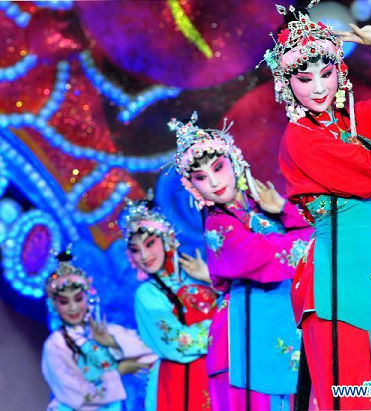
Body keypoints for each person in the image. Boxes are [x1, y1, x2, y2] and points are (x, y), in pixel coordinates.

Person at [263, 2, 371, 409]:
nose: (319, 87)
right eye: (304, 79)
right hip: (335, 288)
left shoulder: (356, 124)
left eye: (326, 73)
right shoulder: (300, 138)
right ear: (287, 85)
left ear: (340, 71)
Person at [170, 112, 312, 410]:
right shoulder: (218, 227)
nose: (214, 181)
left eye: (218, 168)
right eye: (201, 177)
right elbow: (271, 255)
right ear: (193, 186)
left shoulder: (262, 205)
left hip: (282, 329)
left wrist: (283, 209)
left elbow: (317, 230)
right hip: (243, 341)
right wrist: (302, 235)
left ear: (233, 161)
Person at [119, 196, 217, 411]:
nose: (144, 256)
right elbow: (177, 342)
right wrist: (223, 329)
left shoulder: (198, 275)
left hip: (220, 375)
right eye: (135, 250)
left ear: (167, 239)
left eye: (149, 244)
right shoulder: (147, 295)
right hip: (178, 384)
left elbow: (235, 306)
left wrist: (211, 278)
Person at [41, 248, 157, 411]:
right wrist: (118, 371)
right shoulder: (55, 345)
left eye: (78, 299)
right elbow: (76, 394)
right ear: (54, 305)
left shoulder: (106, 331)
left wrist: (112, 344)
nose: (73, 308)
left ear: (88, 299)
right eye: (64, 302)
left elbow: (152, 352)